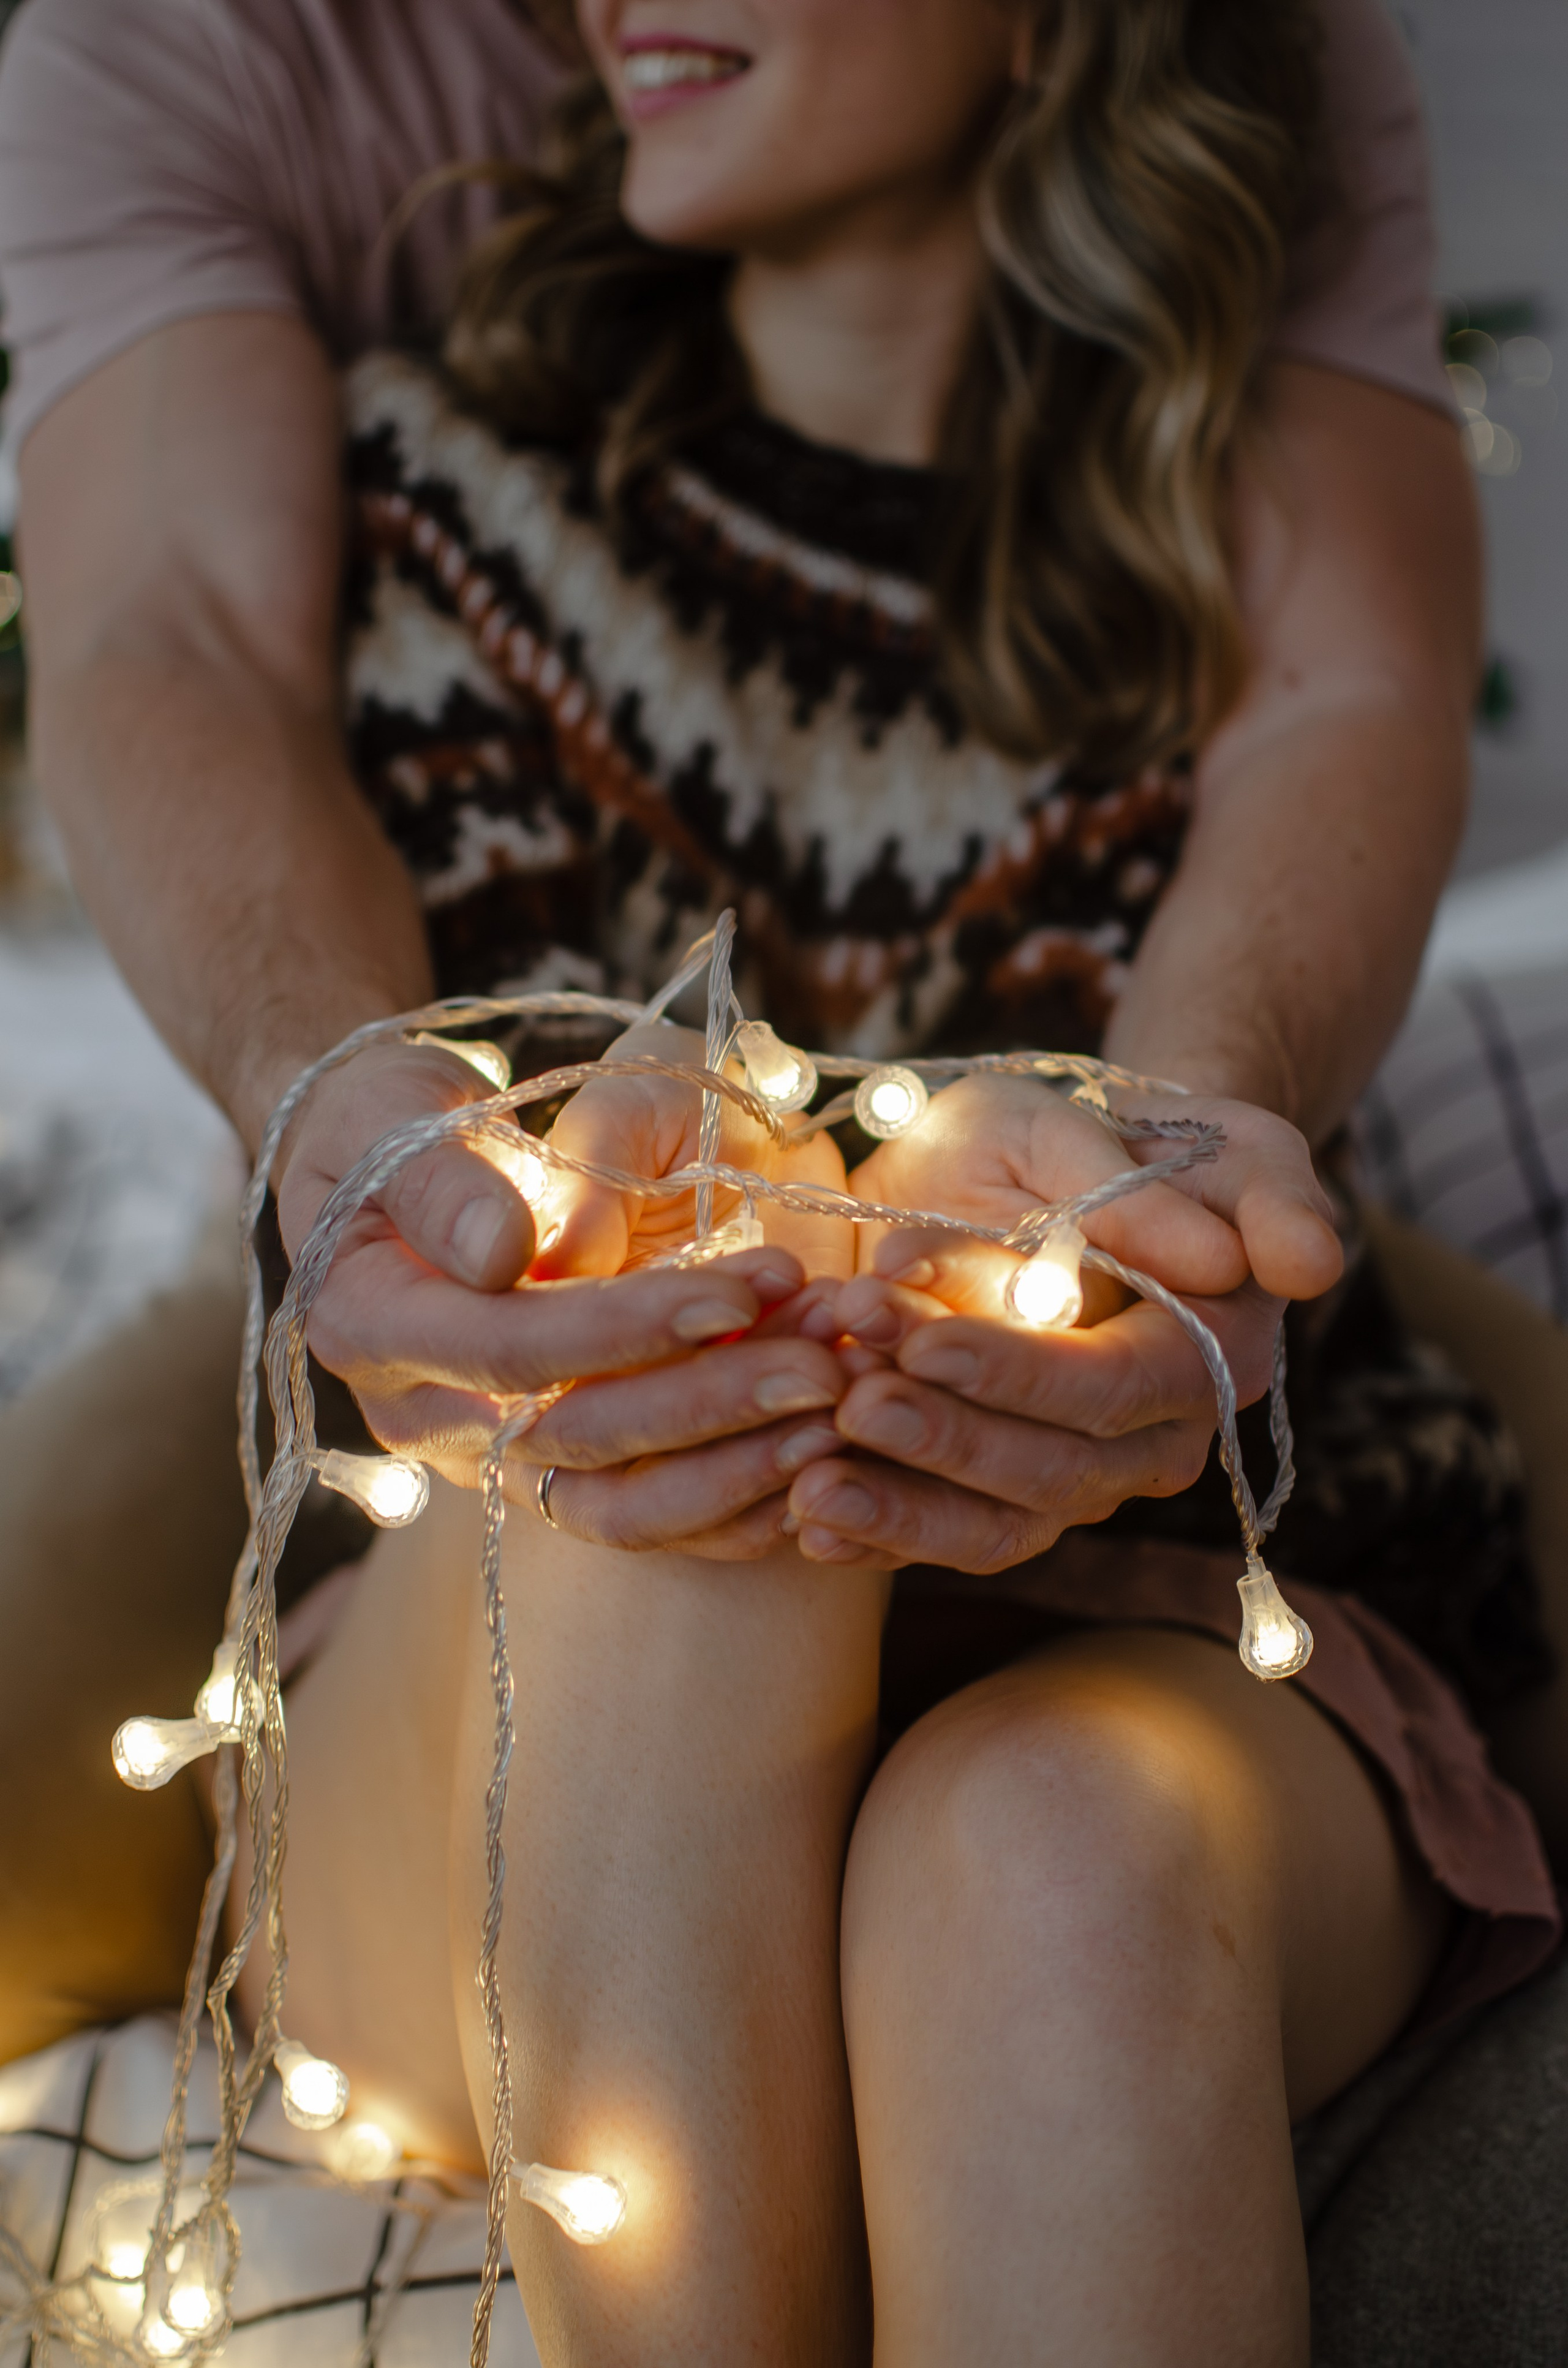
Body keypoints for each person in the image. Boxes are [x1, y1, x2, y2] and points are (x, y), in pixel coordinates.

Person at [0, 1, 1559, 2355]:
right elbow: (163, 640)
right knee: (689, 1399)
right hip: (507, 1649)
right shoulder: (436, 504)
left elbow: (1345, 736)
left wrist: (1158, 1161)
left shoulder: (1219, 568)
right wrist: (481, 1152)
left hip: (1162, 1610)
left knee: (1064, 1868)